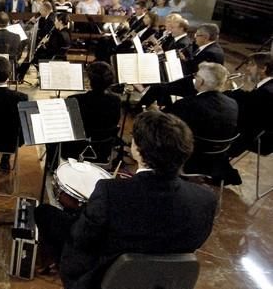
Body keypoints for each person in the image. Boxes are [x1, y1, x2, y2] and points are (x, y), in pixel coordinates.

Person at [35, 111, 217, 289]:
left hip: (105, 277)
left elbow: (82, 238)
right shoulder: (205, 198)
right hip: (167, 281)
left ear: (137, 150)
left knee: (44, 212)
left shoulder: (110, 192)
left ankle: (51, 265)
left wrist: (83, 213)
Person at [167, 62, 240, 184]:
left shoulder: (187, 104)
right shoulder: (232, 103)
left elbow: (164, 126)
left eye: (196, 76)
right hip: (218, 161)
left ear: (201, 82)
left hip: (190, 160)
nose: (194, 78)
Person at [139, 23, 225, 109]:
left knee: (160, 84)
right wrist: (183, 60)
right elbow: (194, 64)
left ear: (205, 37)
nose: (195, 37)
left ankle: (140, 108)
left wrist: (181, 62)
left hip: (198, 84)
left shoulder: (212, 53)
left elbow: (195, 70)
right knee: (162, 80)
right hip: (193, 78)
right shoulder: (207, 47)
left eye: (197, 35)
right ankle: (165, 106)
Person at [226, 52, 273, 156]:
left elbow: (245, 116)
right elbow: (250, 99)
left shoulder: (266, 92)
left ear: (263, 69)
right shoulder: (268, 86)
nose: (247, 68)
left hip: (256, 140)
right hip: (256, 133)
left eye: (251, 65)